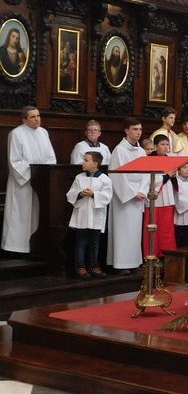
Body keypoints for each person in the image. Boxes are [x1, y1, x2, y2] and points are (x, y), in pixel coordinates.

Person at [2, 106, 57, 253]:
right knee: (20, 213)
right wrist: (32, 173)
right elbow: (14, 160)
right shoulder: (16, 134)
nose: (37, 119)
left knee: (37, 213)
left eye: (38, 116)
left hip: (40, 181)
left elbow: (51, 157)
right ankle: (16, 247)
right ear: (24, 119)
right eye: (33, 117)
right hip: (24, 182)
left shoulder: (43, 133)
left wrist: (44, 173)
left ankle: (35, 245)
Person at [107, 117, 149, 274]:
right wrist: (132, 193)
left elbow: (146, 174)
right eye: (135, 129)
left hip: (139, 195)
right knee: (123, 231)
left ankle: (133, 262)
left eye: (140, 129)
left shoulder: (141, 151)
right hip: (124, 198)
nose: (138, 132)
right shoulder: (119, 150)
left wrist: (143, 191)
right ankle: (121, 264)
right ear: (126, 131)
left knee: (135, 232)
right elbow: (116, 175)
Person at [66, 151, 112, 279]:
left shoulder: (105, 179)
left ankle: (93, 266)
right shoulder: (79, 177)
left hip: (96, 214)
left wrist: (94, 194)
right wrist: (80, 193)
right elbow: (71, 193)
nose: (83, 163)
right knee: (81, 242)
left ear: (95, 164)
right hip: (82, 214)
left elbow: (107, 196)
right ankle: (80, 266)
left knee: (94, 243)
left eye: (86, 160)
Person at [142, 134, 178, 259]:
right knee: (154, 230)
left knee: (167, 230)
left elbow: (173, 180)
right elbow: (150, 180)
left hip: (167, 200)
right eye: (162, 144)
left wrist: (173, 176)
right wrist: (167, 176)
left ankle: (166, 254)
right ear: (155, 146)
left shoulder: (169, 159)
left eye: (167, 144)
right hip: (155, 200)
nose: (166, 147)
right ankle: (152, 254)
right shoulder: (150, 159)